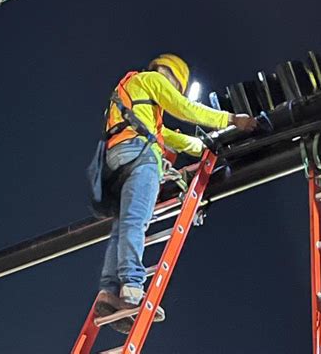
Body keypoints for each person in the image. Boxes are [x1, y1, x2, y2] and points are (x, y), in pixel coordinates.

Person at [88, 53, 267, 332]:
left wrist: (206, 146)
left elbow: (174, 138)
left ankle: (109, 293)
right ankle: (133, 290)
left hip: (116, 160)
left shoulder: (132, 97)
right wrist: (232, 119)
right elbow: (185, 108)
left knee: (122, 226)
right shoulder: (153, 80)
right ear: (172, 76)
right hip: (140, 157)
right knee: (137, 222)